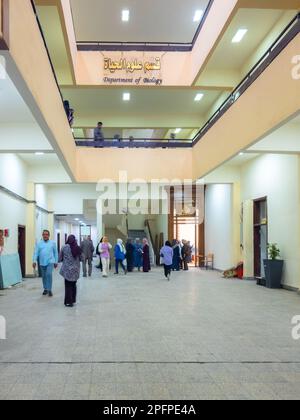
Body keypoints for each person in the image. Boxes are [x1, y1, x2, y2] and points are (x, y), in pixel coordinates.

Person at [33, 230, 58, 297]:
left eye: (46, 234)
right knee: (44, 276)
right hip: (42, 262)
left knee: (49, 274)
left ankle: (49, 289)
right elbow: (36, 253)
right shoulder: (39, 243)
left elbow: (55, 253)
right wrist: (34, 261)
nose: (45, 236)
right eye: (44, 234)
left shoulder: (53, 243)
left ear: (49, 235)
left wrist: (56, 261)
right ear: (42, 235)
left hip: (50, 261)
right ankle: (45, 289)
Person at [59, 235, 82, 307]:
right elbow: (81, 258)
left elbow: (60, 258)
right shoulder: (77, 248)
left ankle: (69, 302)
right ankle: (73, 300)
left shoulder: (64, 247)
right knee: (73, 285)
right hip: (75, 270)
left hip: (67, 270)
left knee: (68, 285)